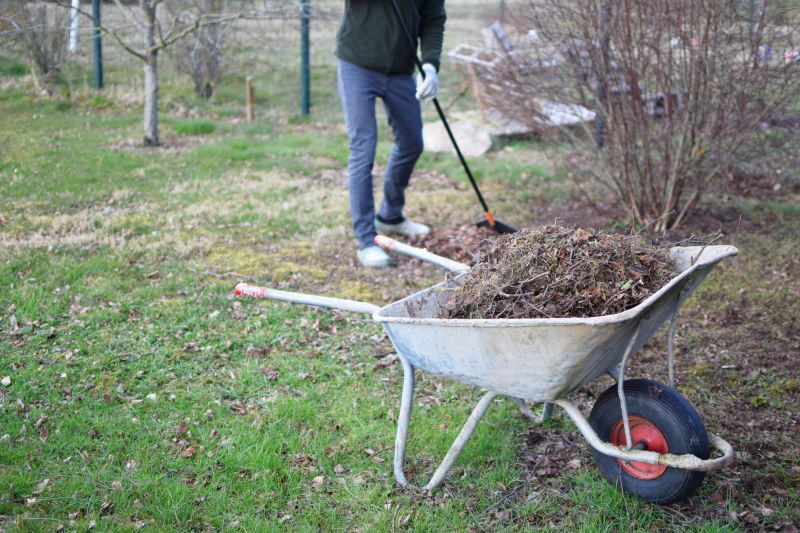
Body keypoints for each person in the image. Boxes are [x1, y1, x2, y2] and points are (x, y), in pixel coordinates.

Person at [335, 0, 447, 267]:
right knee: (364, 147)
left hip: (400, 72)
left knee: (412, 143)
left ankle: (391, 215)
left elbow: (433, 20)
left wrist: (430, 65)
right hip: (357, 65)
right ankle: (365, 240)